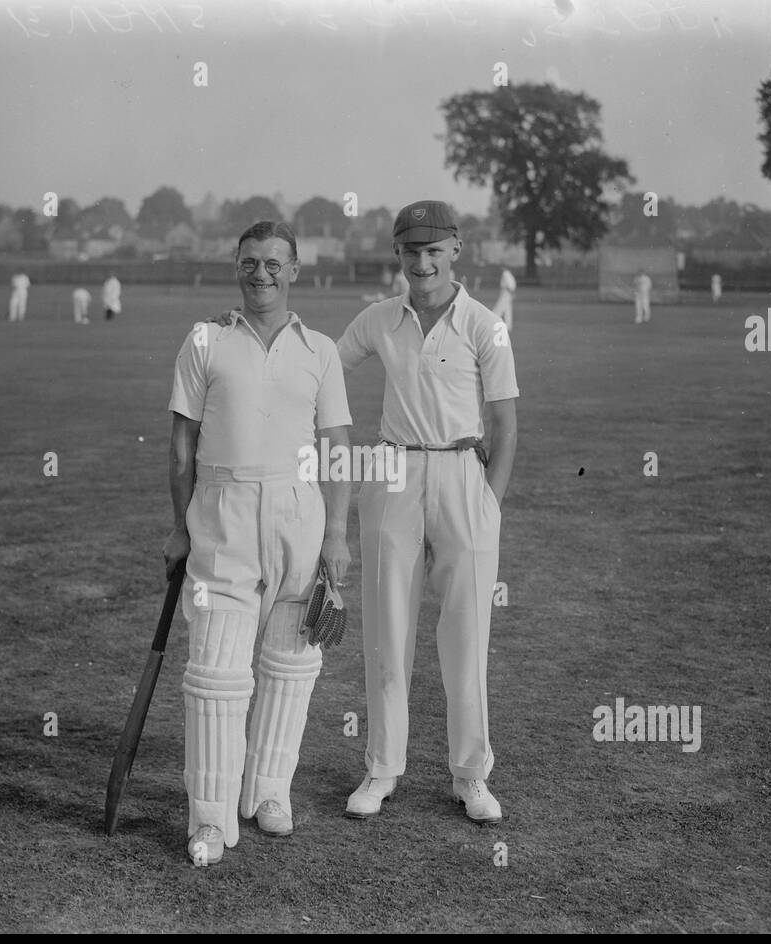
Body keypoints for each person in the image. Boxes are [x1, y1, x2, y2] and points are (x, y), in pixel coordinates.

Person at [162, 221, 352, 866]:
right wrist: (178, 525)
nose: (261, 273)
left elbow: (337, 449)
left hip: (300, 512)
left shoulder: (320, 349)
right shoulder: (206, 339)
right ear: (236, 267)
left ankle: (270, 792)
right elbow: (182, 442)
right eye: (250, 262)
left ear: (295, 269)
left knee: (291, 665)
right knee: (216, 672)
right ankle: (210, 820)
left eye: (274, 263)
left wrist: (339, 536)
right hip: (221, 513)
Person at [337, 200, 518, 825]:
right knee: (387, 627)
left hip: (462, 474)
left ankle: (471, 776)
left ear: (456, 250)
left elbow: (506, 423)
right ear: (398, 255)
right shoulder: (379, 319)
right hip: (393, 470)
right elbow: (322, 367)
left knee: (467, 635)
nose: (422, 262)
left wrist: (488, 498)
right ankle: (382, 770)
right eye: (411, 251)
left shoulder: (485, 325)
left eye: (433, 250)